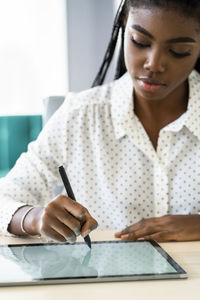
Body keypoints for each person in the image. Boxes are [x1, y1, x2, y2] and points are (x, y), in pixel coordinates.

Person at [1, 0, 200, 243]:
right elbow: (4, 199)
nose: (153, 64)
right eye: (140, 42)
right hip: (105, 280)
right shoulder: (79, 116)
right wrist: (34, 217)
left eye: (178, 51)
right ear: (124, 27)